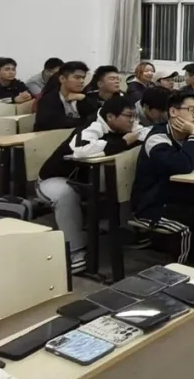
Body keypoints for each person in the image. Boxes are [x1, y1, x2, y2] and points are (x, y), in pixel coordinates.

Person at [37, 95, 142, 273]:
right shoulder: (92, 126)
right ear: (110, 117)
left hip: (85, 179)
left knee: (124, 177)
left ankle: (123, 228)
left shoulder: (126, 124)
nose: (133, 121)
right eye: (128, 116)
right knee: (65, 194)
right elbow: (82, 150)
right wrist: (124, 142)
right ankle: (75, 251)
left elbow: (142, 133)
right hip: (55, 179)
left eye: (134, 116)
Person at [130, 91, 194, 263]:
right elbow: (182, 166)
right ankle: (182, 271)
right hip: (152, 205)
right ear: (173, 112)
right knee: (186, 227)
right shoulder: (157, 138)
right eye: (191, 110)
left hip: (177, 198)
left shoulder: (188, 134)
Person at [34, 61, 89, 131]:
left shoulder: (83, 97)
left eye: (83, 78)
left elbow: (96, 116)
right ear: (62, 79)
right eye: (77, 77)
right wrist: (85, 121)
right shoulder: (48, 100)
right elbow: (54, 123)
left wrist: (83, 99)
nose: (82, 81)